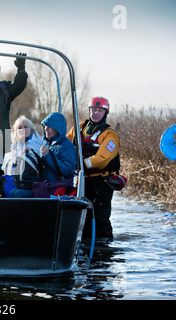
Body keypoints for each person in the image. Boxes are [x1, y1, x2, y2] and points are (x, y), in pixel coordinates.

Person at [66, 96, 120, 240]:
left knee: (101, 218)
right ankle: (85, 245)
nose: (95, 113)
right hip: (82, 181)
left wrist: (81, 164)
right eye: (93, 110)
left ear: (105, 113)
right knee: (82, 217)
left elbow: (102, 159)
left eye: (99, 111)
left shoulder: (110, 135)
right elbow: (65, 146)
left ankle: (104, 248)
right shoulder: (79, 128)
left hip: (101, 182)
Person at [9, 112, 76, 198]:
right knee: (13, 192)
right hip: (44, 185)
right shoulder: (46, 143)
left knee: (18, 194)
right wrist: (29, 155)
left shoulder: (66, 146)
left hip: (56, 187)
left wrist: (48, 155)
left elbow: (67, 171)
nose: (46, 129)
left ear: (58, 128)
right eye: (45, 127)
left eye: (49, 127)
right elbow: (41, 166)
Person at [2, 115, 42, 196]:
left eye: (26, 127)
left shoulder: (36, 145)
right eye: (20, 128)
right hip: (19, 181)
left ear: (31, 130)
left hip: (32, 182)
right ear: (16, 131)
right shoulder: (14, 146)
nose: (23, 129)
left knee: (16, 194)